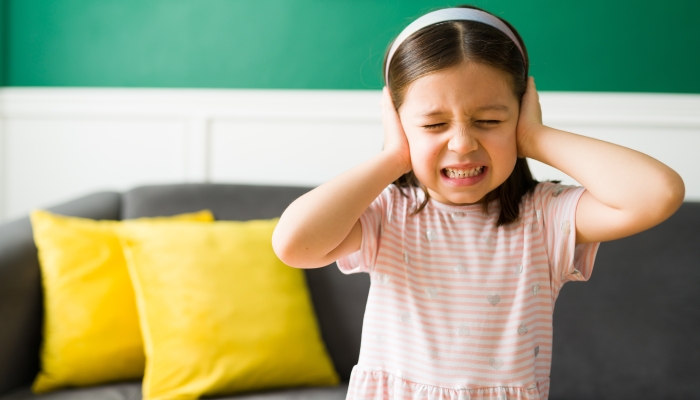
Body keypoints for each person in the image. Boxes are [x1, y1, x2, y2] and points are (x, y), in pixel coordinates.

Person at [272, 5, 684, 399]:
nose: (463, 143)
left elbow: (658, 193)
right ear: (398, 122)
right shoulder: (388, 213)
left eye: (489, 121)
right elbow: (294, 244)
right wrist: (394, 156)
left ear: (520, 112)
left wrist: (536, 138)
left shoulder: (544, 217)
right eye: (434, 124)